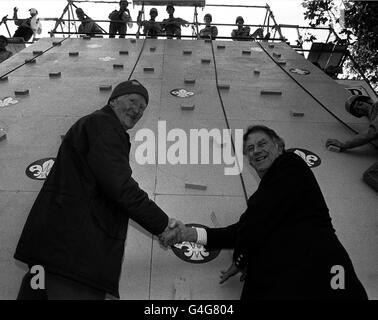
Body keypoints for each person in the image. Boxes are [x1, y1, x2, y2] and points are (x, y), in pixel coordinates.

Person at [15, 80, 181, 300]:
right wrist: (162, 224)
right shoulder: (103, 126)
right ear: (113, 101)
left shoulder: (95, 126)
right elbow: (120, 188)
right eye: (133, 101)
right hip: (74, 258)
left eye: (142, 107)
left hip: (53, 254)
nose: (137, 110)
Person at [161, 125, 369, 300]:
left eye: (262, 144)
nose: (255, 151)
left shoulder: (290, 164)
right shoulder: (266, 198)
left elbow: (252, 226)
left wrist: (241, 258)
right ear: (249, 160)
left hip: (319, 274)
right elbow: (241, 230)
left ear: (279, 146)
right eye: (250, 149)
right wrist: (188, 234)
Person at [326, 95, 378, 191]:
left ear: (367, 101)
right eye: (357, 109)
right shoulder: (372, 117)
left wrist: (344, 145)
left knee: (370, 174)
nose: (359, 108)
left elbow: (372, 133)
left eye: (360, 104)